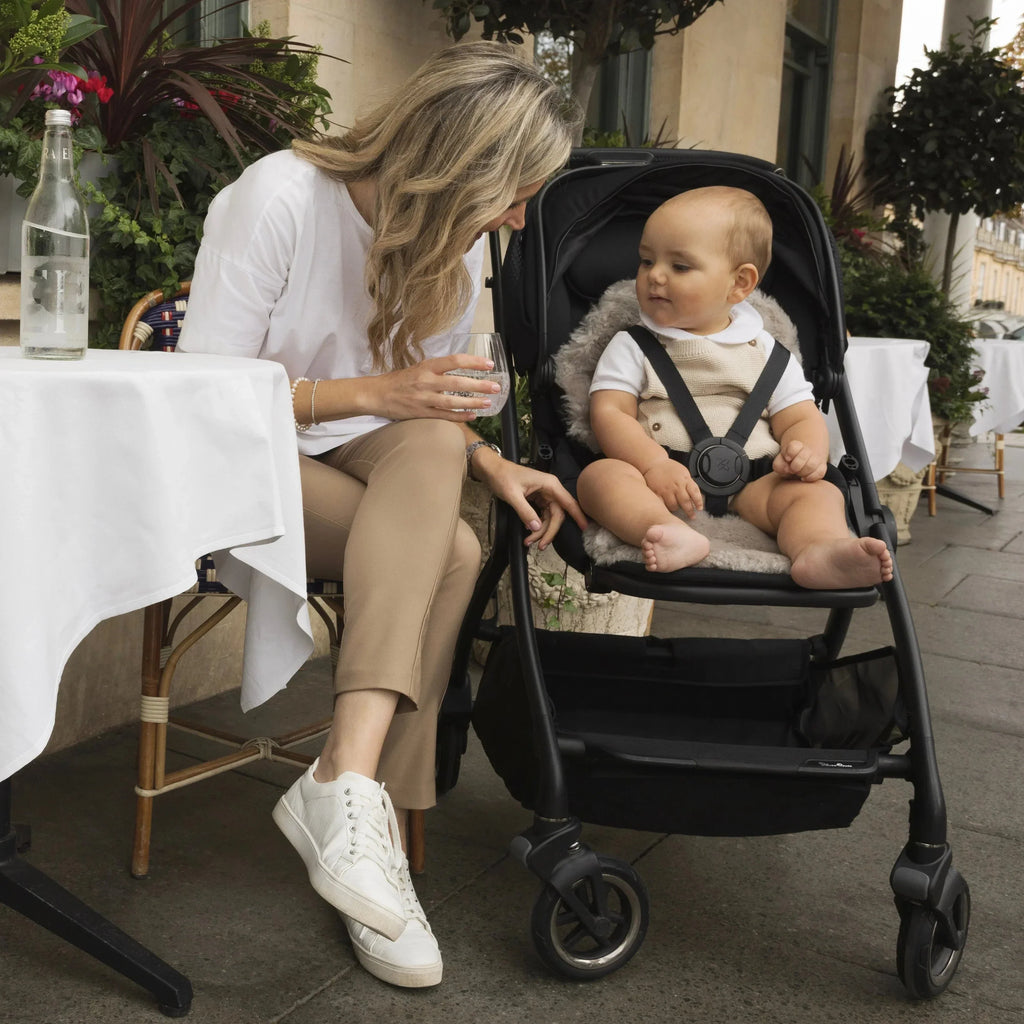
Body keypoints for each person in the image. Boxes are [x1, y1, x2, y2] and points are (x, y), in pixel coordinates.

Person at [177, 42, 586, 989]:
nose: (520, 216)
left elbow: (426, 416)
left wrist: (493, 458)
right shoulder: (277, 197)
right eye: (516, 190)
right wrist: (378, 390)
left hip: (364, 461)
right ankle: (366, 830)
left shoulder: (457, 249)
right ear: (462, 163)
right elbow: (198, 398)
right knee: (445, 550)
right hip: (239, 459)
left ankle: (346, 792)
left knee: (446, 454)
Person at [576, 186, 893, 590]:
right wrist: (652, 464)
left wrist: (807, 451)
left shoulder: (767, 351)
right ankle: (660, 531)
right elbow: (610, 412)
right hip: (662, 481)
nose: (654, 275)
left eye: (681, 266)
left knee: (817, 492)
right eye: (646, 260)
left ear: (739, 283)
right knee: (599, 478)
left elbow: (800, 414)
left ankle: (818, 549)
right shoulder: (633, 344)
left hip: (756, 483)